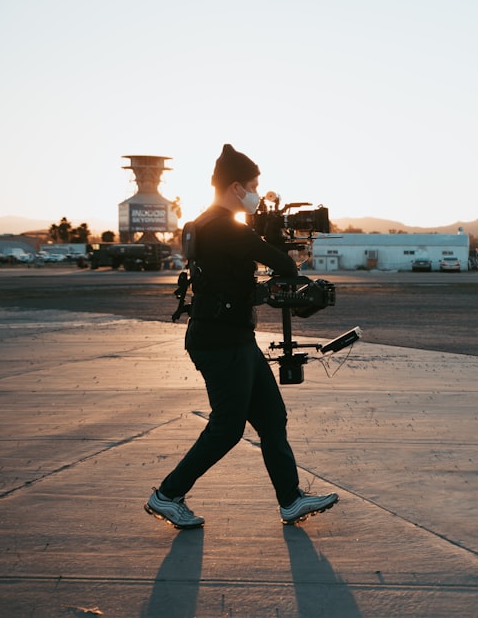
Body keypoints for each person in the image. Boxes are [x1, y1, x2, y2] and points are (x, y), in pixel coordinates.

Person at [145, 144, 339, 529]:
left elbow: (235, 279)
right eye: (252, 186)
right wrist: (286, 250)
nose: (254, 194)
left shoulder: (209, 222)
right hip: (220, 342)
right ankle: (167, 495)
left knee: (271, 418)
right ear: (235, 187)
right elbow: (283, 263)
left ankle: (290, 500)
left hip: (233, 337)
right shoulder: (223, 227)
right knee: (228, 427)